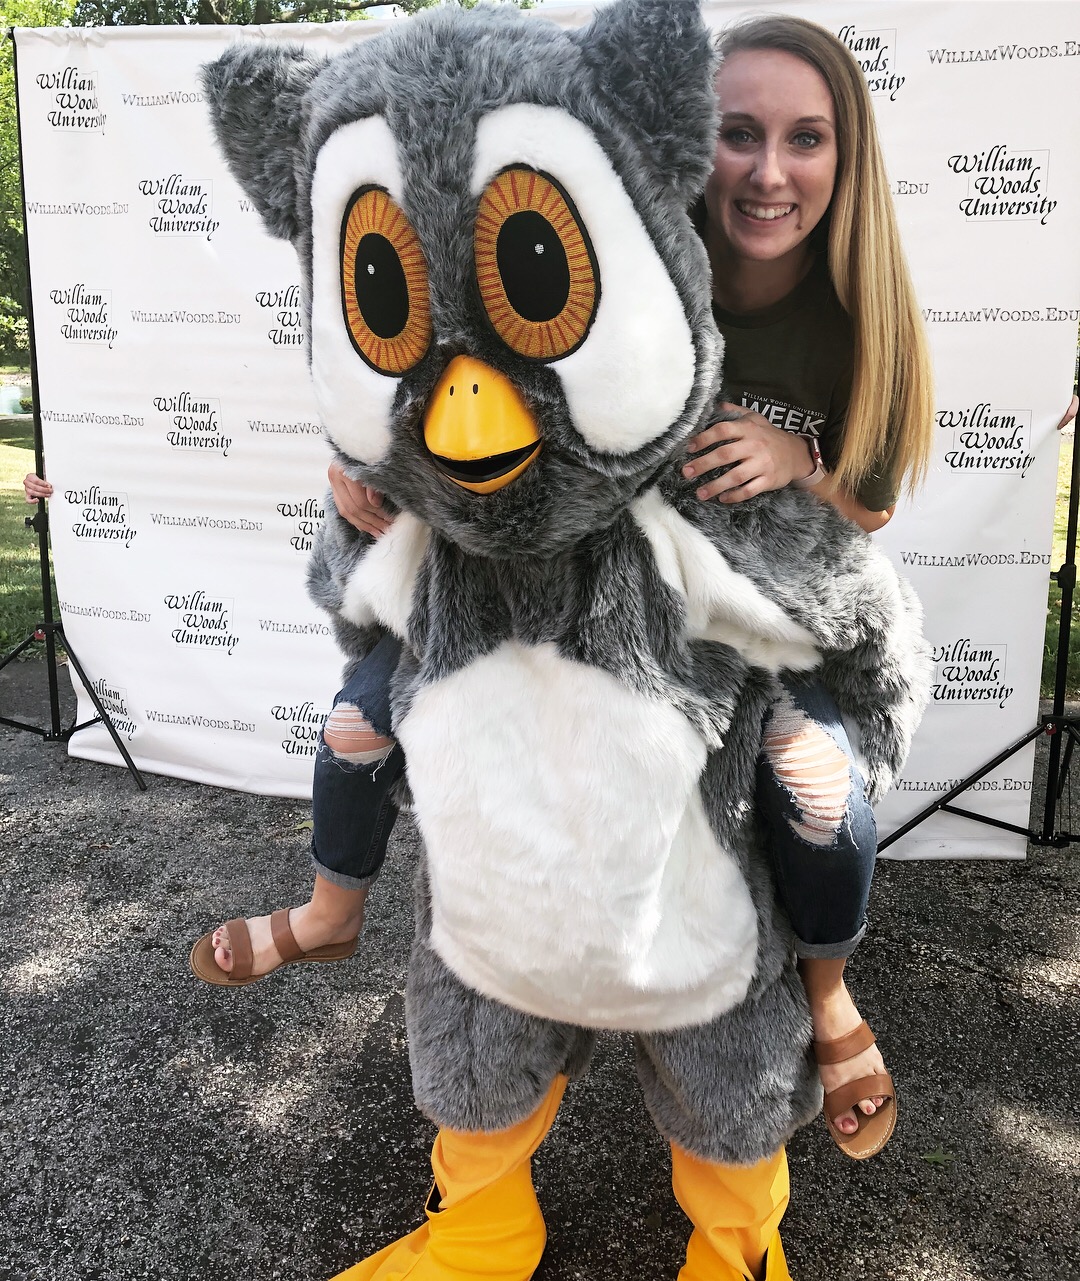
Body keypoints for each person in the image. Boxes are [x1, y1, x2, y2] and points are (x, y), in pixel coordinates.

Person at [190, 12, 934, 1157]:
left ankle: (830, 990)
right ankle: (336, 909)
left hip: (750, 605)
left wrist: (801, 464)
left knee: (815, 782)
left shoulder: (853, 316)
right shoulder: (624, 220)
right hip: (535, 581)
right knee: (363, 716)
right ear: (687, 133)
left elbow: (872, 508)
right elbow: (447, 326)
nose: (770, 170)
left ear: (846, 157)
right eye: (738, 131)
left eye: (806, 139)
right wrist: (362, 465)